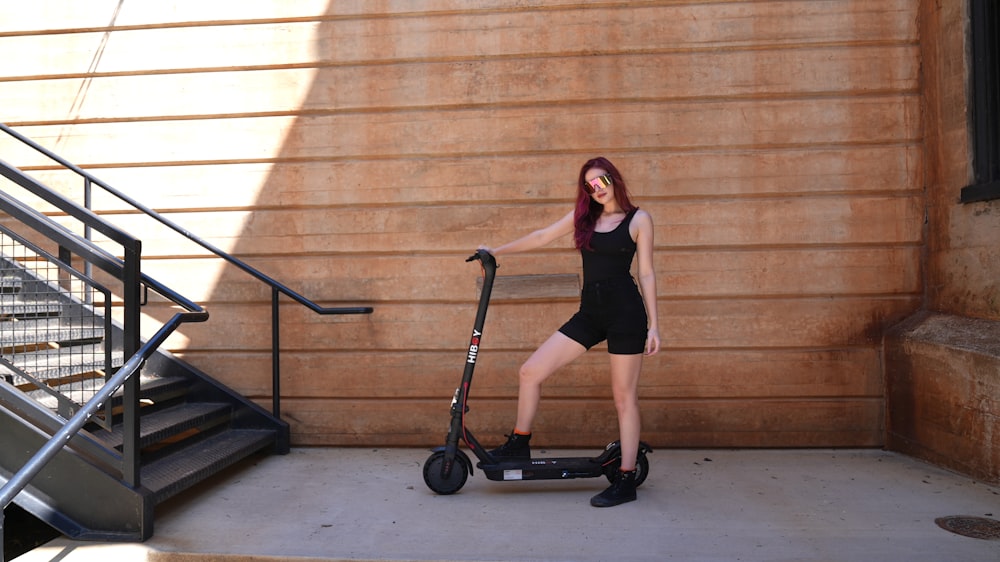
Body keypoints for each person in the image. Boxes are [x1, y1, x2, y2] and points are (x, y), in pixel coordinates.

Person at [479, 156, 660, 507]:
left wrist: (655, 325)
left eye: (601, 181)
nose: (597, 189)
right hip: (590, 313)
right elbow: (543, 235)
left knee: (624, 399)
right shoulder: (585, 218)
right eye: (590, 185)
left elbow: (647, 273)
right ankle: (519, 443)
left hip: (626, 315)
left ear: (614, 179)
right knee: (530, 371)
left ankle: (625, 480)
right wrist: (495, 252)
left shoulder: (639, 219)